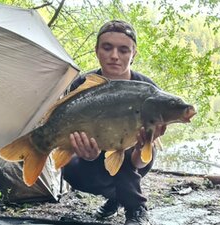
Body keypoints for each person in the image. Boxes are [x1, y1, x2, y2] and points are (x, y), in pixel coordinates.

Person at [62, 20, 166, 225]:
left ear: (133, 54)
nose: (114, 56)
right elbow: (70, 138)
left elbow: (139, 162)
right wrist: (85, 154)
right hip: (91, 158)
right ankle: (118, 197)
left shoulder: (147, 89)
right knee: (70, 170)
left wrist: (144, 144)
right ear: (97, 50)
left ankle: (136, 208)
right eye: (107, 47)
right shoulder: (82, 85)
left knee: (124, 147)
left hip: (134, 155)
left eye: (123, 50)